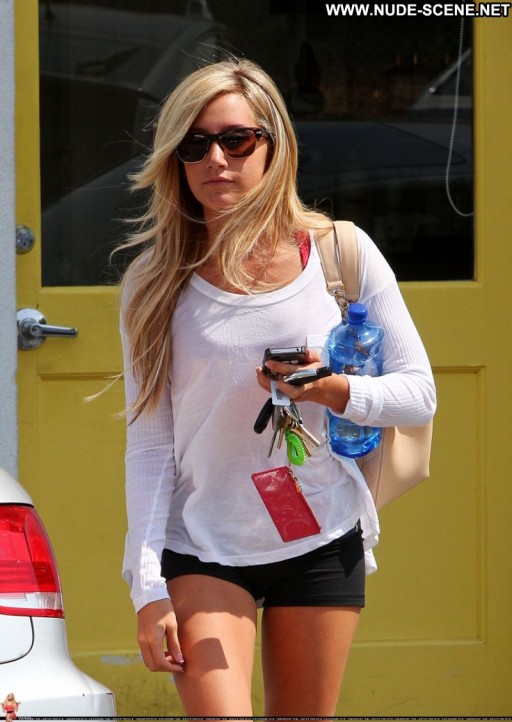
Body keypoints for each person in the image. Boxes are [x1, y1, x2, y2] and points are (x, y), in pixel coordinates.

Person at [119, 58, 436, 718]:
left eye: (237, 140)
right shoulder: (155, 281)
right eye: (195, 145)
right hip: (203, 543)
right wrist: (148, 587)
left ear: (274, 146)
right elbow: (149, 444)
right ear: (176, 158)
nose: (217, 160)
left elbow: (418, 393)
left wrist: (334, 389)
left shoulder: (339, 253)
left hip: (318, 531)